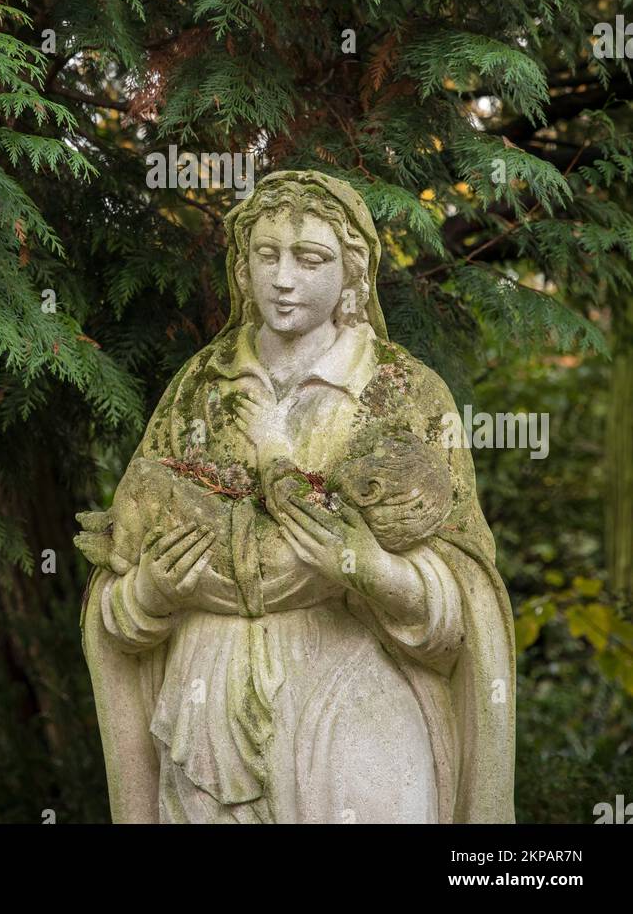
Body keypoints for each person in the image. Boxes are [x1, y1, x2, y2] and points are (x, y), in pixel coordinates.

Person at [78, 170, 516, 824]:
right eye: (266, 255)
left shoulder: (403, 394)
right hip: (210, 718)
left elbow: (462, 609)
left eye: (310, 259)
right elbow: (120, 575)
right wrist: (146, 595)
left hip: (359, 717)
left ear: (354, 274)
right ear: (242, 267)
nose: (283, 278)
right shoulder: (200, 389)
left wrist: (373, 571)